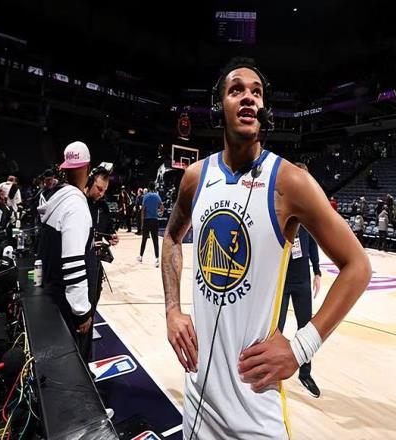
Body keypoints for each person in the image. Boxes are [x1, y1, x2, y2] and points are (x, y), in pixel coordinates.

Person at [162, 57, 371, 440]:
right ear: (218, 107)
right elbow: (173, 238)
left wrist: (301, 347)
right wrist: (172, 310)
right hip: (196, 402)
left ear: (265, 111)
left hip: (255, 410)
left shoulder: (290, 182)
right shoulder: (195, 177)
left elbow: (357, 265)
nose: (248, 97)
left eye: (256, 92)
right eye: (236, 90)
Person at [37, 141, 93, 359]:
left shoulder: (53, 197)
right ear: (87, 167)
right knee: (72, 361)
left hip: (50, 293)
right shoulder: (75, 204)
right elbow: (73, 263)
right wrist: (82, 311)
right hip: (66, 303)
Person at [277, 162, 322, 398]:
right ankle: (272, 372)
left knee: (306, 327)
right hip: (282, 279)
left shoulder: (309, 212)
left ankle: (305, 373)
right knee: (277, 327)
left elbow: (312, 243)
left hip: (302, 277)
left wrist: (317, 271)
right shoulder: (280, 208)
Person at [84, 166, 119, 358]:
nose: (101, 193)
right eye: (99, 188)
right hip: (79, 266)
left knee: (92, 306)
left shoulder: (103, 207)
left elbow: (108, 229)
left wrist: (112, 237)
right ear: (89, 183)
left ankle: (86, 354)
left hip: (95, 265)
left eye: (104, 190)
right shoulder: (79, 203)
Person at [138, 181, 164, 266]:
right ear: (154, 187)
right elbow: (162, 208)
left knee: (144, 240)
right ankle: (157, 259)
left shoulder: (146, 196)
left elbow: (143, 210)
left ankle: (141, 257)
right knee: (155, 241)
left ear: (149, 188)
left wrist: (142, 223)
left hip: (147, 220)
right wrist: (160, 213)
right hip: (154, 220)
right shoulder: (157, 196)